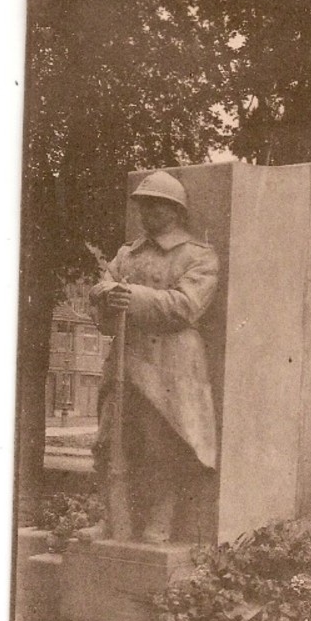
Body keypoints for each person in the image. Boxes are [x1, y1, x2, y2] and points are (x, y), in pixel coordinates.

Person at [90, 170, 219, 544]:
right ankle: (113, 518)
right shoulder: (127, 254)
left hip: (170, 364)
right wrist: (104, 297)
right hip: (125, 359)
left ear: (176, 211)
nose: (147, 213)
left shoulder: (198, 256)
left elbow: (187, 305)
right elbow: (103, 286)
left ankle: (159, 520)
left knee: (159, 442)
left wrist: (134, 298)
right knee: (108, 440)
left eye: (156, 206)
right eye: (143, 205)